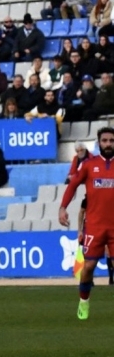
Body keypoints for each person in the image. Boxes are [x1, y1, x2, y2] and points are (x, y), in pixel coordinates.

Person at [59, 127, 114, 320]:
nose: (108, 144)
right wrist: (63, 207)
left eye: (111, 141)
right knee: (89, 266)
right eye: (105, 140)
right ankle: (84, 302)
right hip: (95, 226)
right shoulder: (89, 165)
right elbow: (73, 184)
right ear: (99, 143)